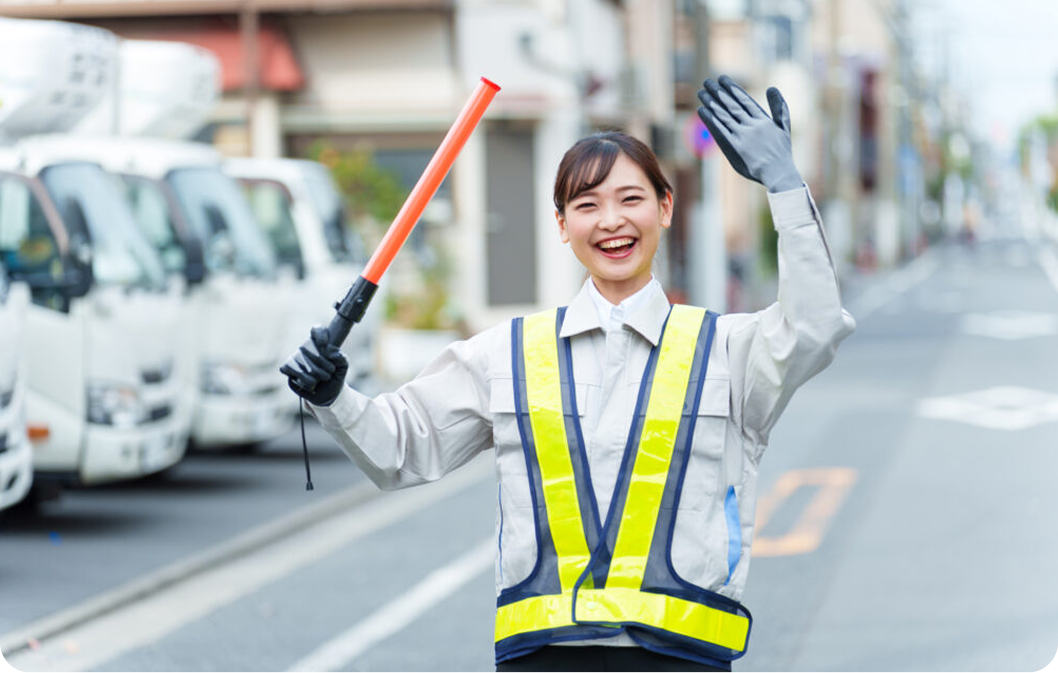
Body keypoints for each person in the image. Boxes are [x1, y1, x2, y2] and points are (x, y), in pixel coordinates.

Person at [281, 75, 855, 673]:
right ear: (561, 225)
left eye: (631, 199)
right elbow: (401, 448)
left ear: (664, 207)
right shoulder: (507, 352)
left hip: (684, 660)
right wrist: (334, 395)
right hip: (541, 660)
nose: (611, 221)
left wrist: (785, 186)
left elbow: (813, 325)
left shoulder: (729, 349)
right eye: (587, 205)